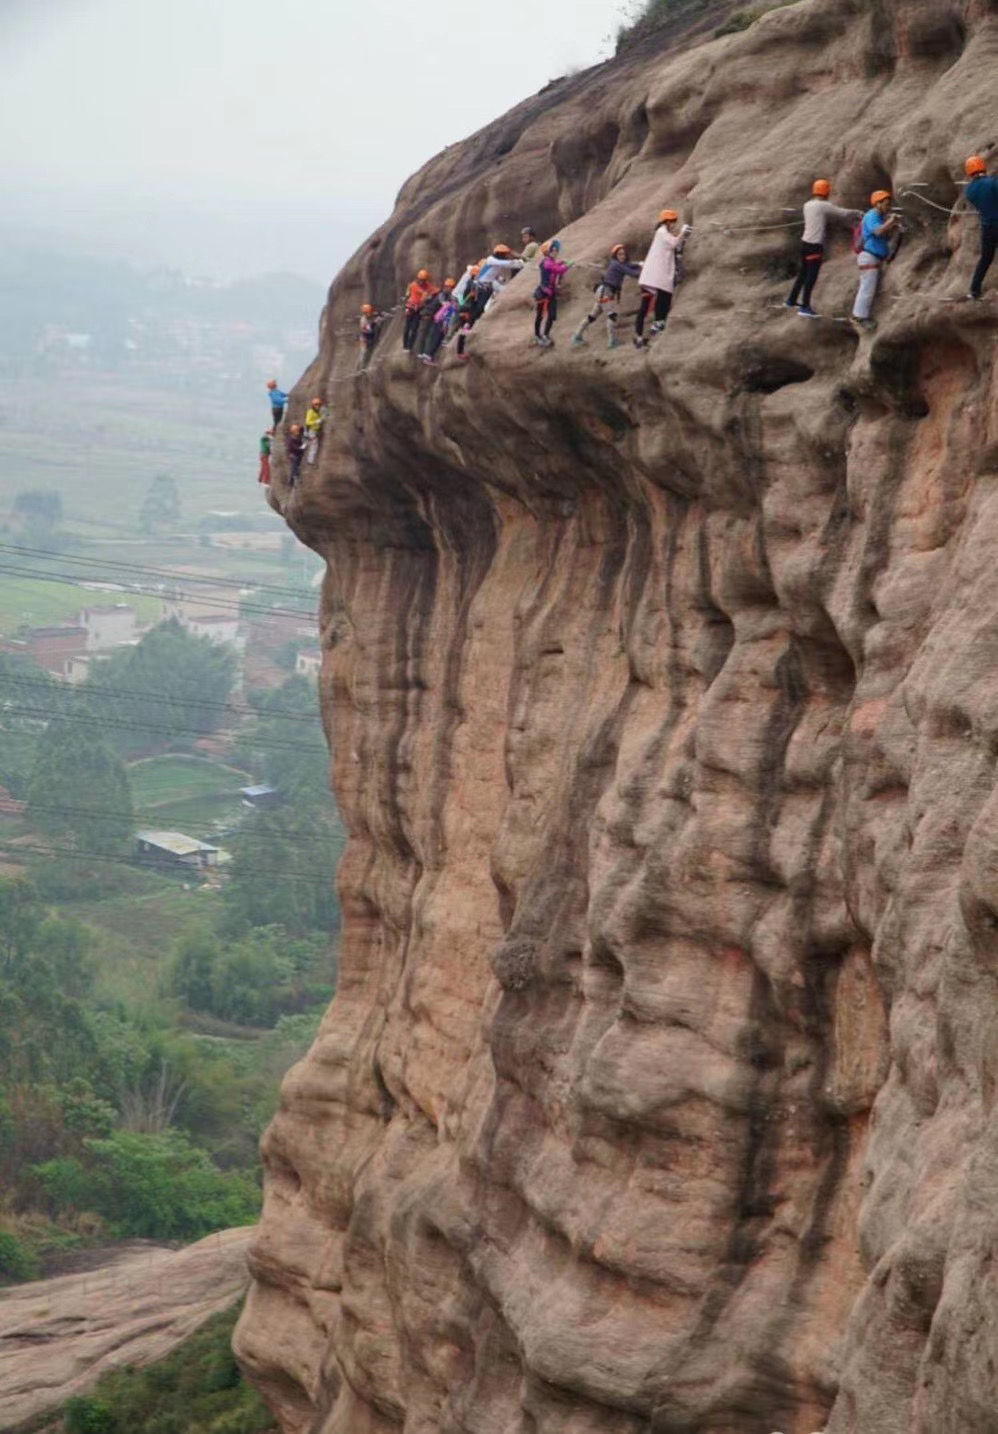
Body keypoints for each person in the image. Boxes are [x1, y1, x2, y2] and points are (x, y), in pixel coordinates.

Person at [785, 179, 861, 317]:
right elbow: (842, 213)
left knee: (803, 273)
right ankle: (805, 307)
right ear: (826, 192)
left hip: (805, 243)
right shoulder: (823, 206)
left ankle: (791, 300)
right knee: (811, 276)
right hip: (815, 245)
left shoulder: (807, 205)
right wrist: (858, 213)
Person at [634, 210, 691, 348]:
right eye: (672, 222)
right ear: (667, 221)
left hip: (660, 272)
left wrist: (681, 237)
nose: (674, 224)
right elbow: (673, 243)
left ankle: (659, 322)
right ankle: (657, 323)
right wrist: (683, 232)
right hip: (658, 272)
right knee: (663, 295)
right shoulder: (661, 232)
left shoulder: (663, 233)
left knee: (665, 294)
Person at [572, 243, 642, 349]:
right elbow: (631, 272)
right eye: (620, 254)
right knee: (612, 315)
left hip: (602, 291)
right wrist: (643, 269)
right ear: (615, 255)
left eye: (623, 254)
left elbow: (629, 265)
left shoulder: (616, 263)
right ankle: (612, 341)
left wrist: (639, 264)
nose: (622, 256)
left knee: (592, 316)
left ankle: (577, 335)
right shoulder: (617, 265)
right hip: (607, 292)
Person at [851, 189, 900, 331]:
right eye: (886, 204)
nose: (888, 207)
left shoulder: (878, 217)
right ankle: (860, 317)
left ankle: (860, 315)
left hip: (873, 257)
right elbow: (878, 231)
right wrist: (891, 221)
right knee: (867, 287)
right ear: (877, 204)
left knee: (869, 287)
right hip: (869, 257)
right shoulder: (872, 215)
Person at [964, 152, 998, 300]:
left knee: (985, 259)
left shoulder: (969, 190)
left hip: (987, 228)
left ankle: (974, 290)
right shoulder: (992, 182)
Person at [532, 239, 571, 347]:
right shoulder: (547, 263)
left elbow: (555, 265)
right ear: (548, 252)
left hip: (551, 292)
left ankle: (545, 334)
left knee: (552, 315)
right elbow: (558, 270)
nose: (556, 252)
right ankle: (537, 336)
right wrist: (568, 265)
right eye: (554, 250)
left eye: (556, 250)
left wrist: (562, 262)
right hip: (544, 293)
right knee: (540, 315)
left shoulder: (549, 261)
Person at [421, 285, 459, 365]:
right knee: (434, 338)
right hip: (439, 321)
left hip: (440, 321)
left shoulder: (450, 301)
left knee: (437, 339)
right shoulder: (445, 301)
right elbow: (444, 314)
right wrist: (444, 325)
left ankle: (429, 355)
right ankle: (427, 356)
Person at [403, 269, 436, 351]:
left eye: (424, 280)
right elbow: (420, 293)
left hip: (418, 309)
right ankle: (405, 345)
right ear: (418, 278)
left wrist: (434, 292)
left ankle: (410, 346)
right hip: (410, 307)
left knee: (414, 328)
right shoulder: (413, 285)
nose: (422, 282)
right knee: (407, 328)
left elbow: (433, 290)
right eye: (421, 280)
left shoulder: (427, 285)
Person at [304, 398, 323, 465]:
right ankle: (310, 461)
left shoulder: (319, 411)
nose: (317, 406)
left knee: (314, 445)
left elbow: (326, 415)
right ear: (313, 405)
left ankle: (312, 460)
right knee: (314, 445)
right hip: (311, 430)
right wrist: (316, 422)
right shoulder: (310, 412)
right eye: (316, 404)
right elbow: (307, 422)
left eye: (319, 404)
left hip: (317, 430)